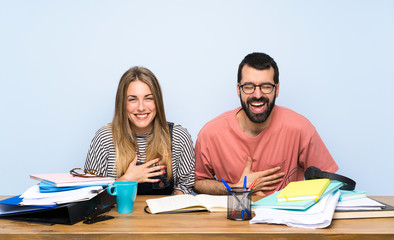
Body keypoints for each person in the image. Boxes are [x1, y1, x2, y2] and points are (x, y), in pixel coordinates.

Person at [194, 52, 338, 196]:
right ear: (238, 89)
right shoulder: (211, 133)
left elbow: (328, 181)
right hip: (235, 216)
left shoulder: (300, 128)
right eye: (249, 86)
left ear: (277, 89)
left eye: (266, 86)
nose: (257, 95)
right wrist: (237, 188)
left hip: (285, 216)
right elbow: (198, 182)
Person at [85, 66, 195, 195]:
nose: (141, 107)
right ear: (122, 103)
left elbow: (185, 187)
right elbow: (89, 195)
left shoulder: (178, 136)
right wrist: (127, 180)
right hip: (117, 215)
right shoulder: (104, 137)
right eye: (132, 99)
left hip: (163, 215)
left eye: (149, 98)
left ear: (157, 101)